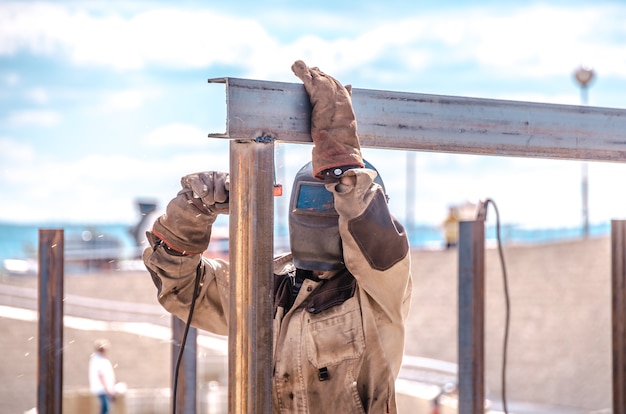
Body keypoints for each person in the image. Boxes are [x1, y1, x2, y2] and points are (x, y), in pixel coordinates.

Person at [143, 60, 413, 413]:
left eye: (335, 195)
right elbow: (181, 288)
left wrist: (342, 161)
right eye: (319, 197)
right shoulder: (268, 288)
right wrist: (192, 213)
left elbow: (374, 233)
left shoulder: (380, 292)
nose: (325, 208)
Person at [88, 339, 116, 414]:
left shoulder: (100, 359)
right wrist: (108, 390)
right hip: (102, 389)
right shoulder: (98, 360)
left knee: (105, 409)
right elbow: (101, 376)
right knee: (105, 410)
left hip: (104, 389)